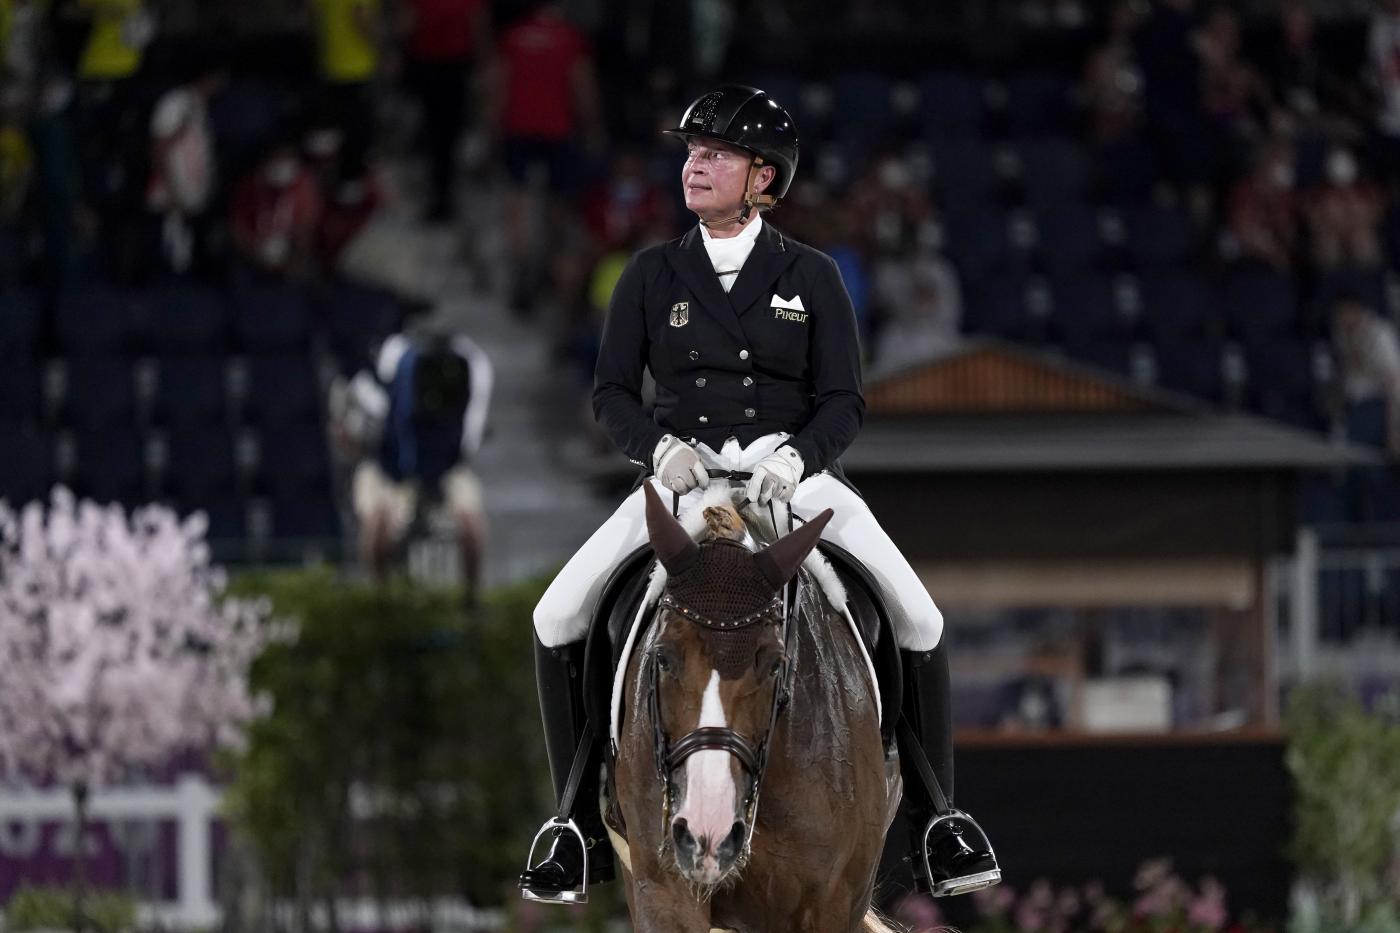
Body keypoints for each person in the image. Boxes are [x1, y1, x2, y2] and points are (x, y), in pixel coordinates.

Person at [519, 85, 1001, 904]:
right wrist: (659, 448)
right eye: (691, 152)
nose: (694, 166)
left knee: (920, 616)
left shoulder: (810, 274)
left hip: (794, 478)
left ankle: (936, 819)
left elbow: (844, 400)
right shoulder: (650, 272)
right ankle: (573, 824)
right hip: (684, 480)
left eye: (715, 155)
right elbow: (611, 395)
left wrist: (796, 459)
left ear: (763, 178)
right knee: (557, 613)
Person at [336, 326, 493, 599]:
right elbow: (358, 433)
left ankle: (472, 605)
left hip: (446, 468)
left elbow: (469, 438)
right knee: (376, 534)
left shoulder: (468, 364)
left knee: (472, 531)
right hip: (387, 470)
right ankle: (380, 603)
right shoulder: (387, 362)